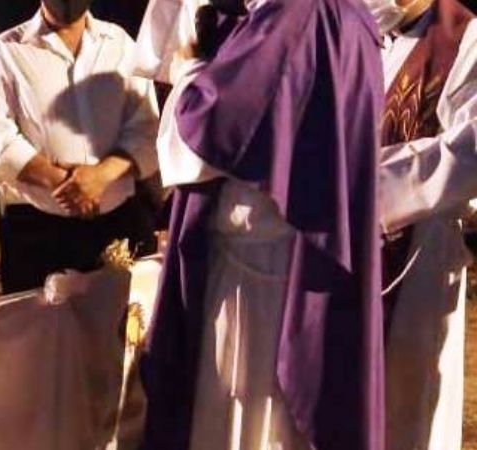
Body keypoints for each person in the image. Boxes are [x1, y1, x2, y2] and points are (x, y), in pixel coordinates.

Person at [140, 0, 386, 448]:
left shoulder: (290, 14)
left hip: (255, 277)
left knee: (241, 422)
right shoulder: (353, 15)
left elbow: (194, 148)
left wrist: (189, 69)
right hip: (296, 265)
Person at [0, 0, 160, 293]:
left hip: (118, 225)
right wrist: (65, 183)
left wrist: (100, 176)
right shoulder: (7, 50)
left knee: (120, 333)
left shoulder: (121, 44)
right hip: (36, 232)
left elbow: (146, 128)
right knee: (39, 334)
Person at [365, 0, 477, 448]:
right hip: (345, 251)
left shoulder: (466, 35)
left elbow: (470, 151)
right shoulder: (367, 34)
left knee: (407, 413)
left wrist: (361, 187)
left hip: (421, 256)